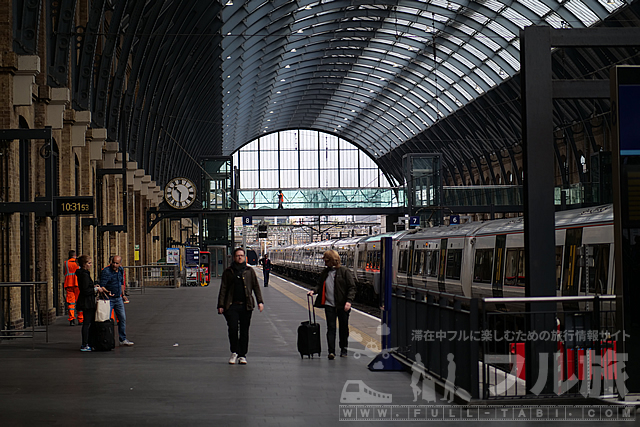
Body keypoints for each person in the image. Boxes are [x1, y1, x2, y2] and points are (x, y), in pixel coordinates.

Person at [218, 248, 264, 365]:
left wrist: (260, 301)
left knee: (244, 331)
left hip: (246, 306)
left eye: (242, 255)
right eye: (238, 255)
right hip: (231, 305)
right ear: (234, 257)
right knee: (233, 329)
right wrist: (221, 305)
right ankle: (234, 352)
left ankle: (242, 355)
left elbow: (256, 287)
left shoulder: (249, 271)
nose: (240, 257)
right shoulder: (228, 272)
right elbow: (223, 288)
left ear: (244, 257)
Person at [307, 250, 356, 359]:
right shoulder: (325, 273)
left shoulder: (344, 272)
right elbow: (319, 285)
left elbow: (352, 287)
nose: (324, 262)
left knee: (343, 328)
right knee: (331, 328)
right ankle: (331, 351)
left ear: (332, 260)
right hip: (329, 305)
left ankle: (344, 349)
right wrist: (313, 291)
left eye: (326, 260)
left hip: (343, 306)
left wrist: (349, 301)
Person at [75, 255, 108, 352]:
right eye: (89, 263)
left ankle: (88, 342)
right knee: (87, 323)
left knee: (88, 322)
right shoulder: (84, 275)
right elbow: (85, 290)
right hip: (87, 302)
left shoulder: (83, 273)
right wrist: (96, 289)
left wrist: (94, 286)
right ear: (84, 264)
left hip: (87, 301)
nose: (90, 265)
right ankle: (85, 344)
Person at [100, 255, 134, 346]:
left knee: (122, 318)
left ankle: (122, 339)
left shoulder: (121, 270)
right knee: (107, 320)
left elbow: (121, 283)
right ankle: (106, 339)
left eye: (117, 263)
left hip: (118, 298)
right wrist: (108, 292)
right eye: (113, 262)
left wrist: (123, 294)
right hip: (109, 299)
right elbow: (102, 285)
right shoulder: (106, 271)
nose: (114, 265)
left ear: (120, 264)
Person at [63, 250, 83, 326]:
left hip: (68, 284)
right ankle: (80, 319)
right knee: (79, 301)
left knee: (71, 302)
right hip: (77, 284)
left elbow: (64, 272)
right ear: (75, 255)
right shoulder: (78, 262)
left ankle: (72, 319)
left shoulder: (66, 263)